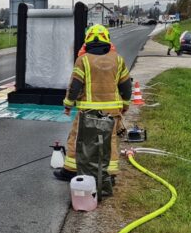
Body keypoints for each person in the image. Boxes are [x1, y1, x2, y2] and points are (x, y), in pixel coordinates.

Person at [53, 24, 132, 196]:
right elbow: (126, 85)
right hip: (111, 111)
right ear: (106, 38)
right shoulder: (117, 59)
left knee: (77, 138)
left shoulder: (83, 60)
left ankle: (70, 171)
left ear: (87, 39)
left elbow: (75, 86)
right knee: (109, 140)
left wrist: (68, 104)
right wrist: (125, 104)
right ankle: (108, 175)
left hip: (87, 111)